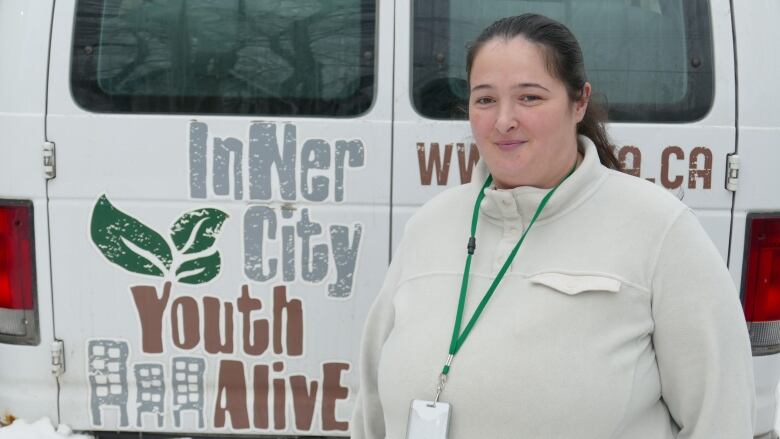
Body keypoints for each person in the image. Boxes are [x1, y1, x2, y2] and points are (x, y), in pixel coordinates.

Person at [351, 13, 755, 438]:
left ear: (578, 102)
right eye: (485, 99)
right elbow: (370, 407)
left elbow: (720, 416)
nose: (504, 119)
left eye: (529, 98)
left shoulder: (659, 231)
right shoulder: (429, 227)